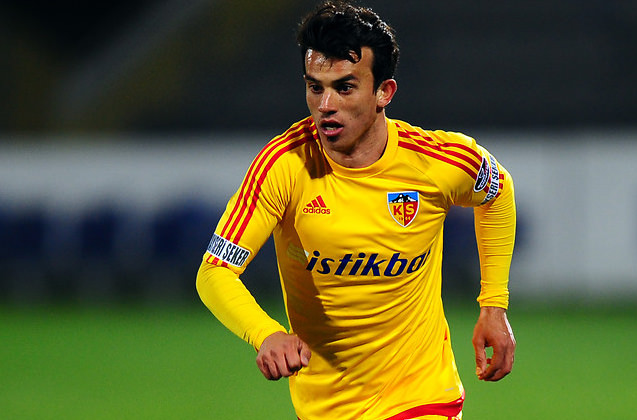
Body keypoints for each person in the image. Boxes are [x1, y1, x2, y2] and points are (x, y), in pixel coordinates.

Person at [196, 1, 517, 419]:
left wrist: (493, 305)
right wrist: (266, 334)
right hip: (324, 403)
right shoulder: (283, 166)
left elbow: (497, 191)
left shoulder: (437, 162)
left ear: (384, 92)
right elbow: (214, 272)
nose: (325, 104)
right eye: (315, 87)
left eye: (345, 87)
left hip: (422, 395)